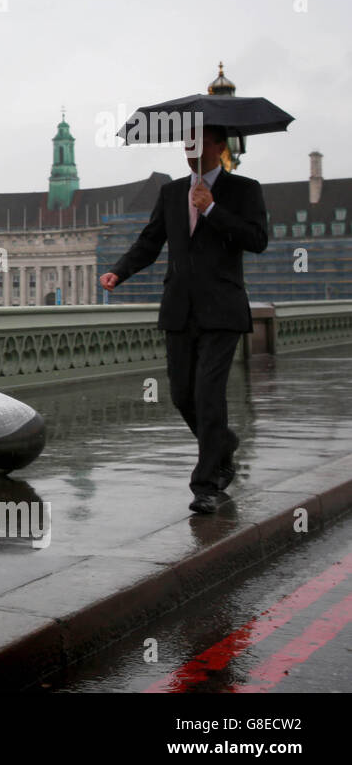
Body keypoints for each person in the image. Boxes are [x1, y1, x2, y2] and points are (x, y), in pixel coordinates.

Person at [99, 125, 268, 514]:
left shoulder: (244, 189)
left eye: (198, 142)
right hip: (178, 308)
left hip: (222, 309)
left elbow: (257, 239)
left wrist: (211, 209)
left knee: (209, 394)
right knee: (181, 395)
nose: (189, 149)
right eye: (185, 142)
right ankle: (222, 444)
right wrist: (119, 271)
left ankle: (206, 483)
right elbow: (150, 241)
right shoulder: (172, 192)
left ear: (219, 146)